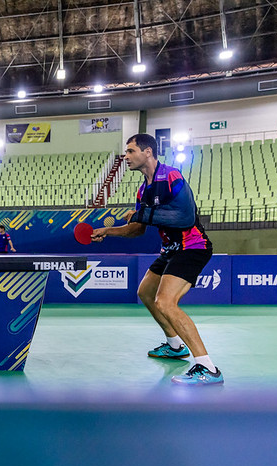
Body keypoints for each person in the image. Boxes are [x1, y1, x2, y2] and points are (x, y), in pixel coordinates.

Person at [91, 133, 222, 385]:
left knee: (166, 302)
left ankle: (207, 367)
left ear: (147, 152)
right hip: (170, 249)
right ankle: (175, 346)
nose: (125, 157)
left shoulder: (171, 176)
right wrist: (108, 231)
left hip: (192, 246)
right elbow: (137, 228)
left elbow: (184, 216)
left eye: (130, 151)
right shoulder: (143, 190)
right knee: (145, 293)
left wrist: (143, 213)